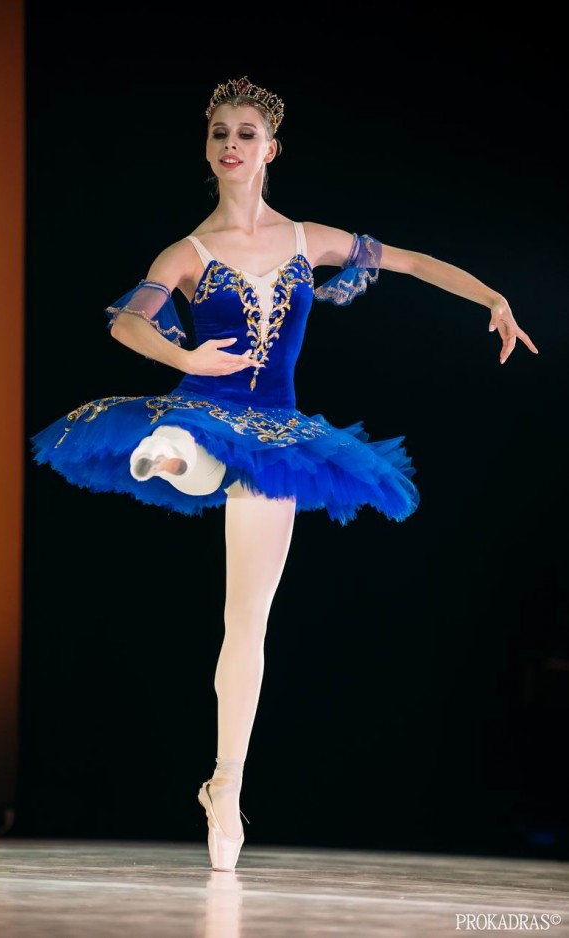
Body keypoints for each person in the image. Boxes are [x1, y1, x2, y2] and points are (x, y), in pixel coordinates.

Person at [29, 76, 539, 872]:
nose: (230, 144)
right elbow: (129, 322)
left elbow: (409, 260)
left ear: (270, 149)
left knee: (248, 622)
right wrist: (186, 357)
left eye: (245, 133)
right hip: (206, 411)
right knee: (190, 447)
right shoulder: (188, 253)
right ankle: (170, 452)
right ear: (207, 150)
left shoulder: (307, 240)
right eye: (219, 133)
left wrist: (493, 295)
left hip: (280, 437)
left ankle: (225, 784)